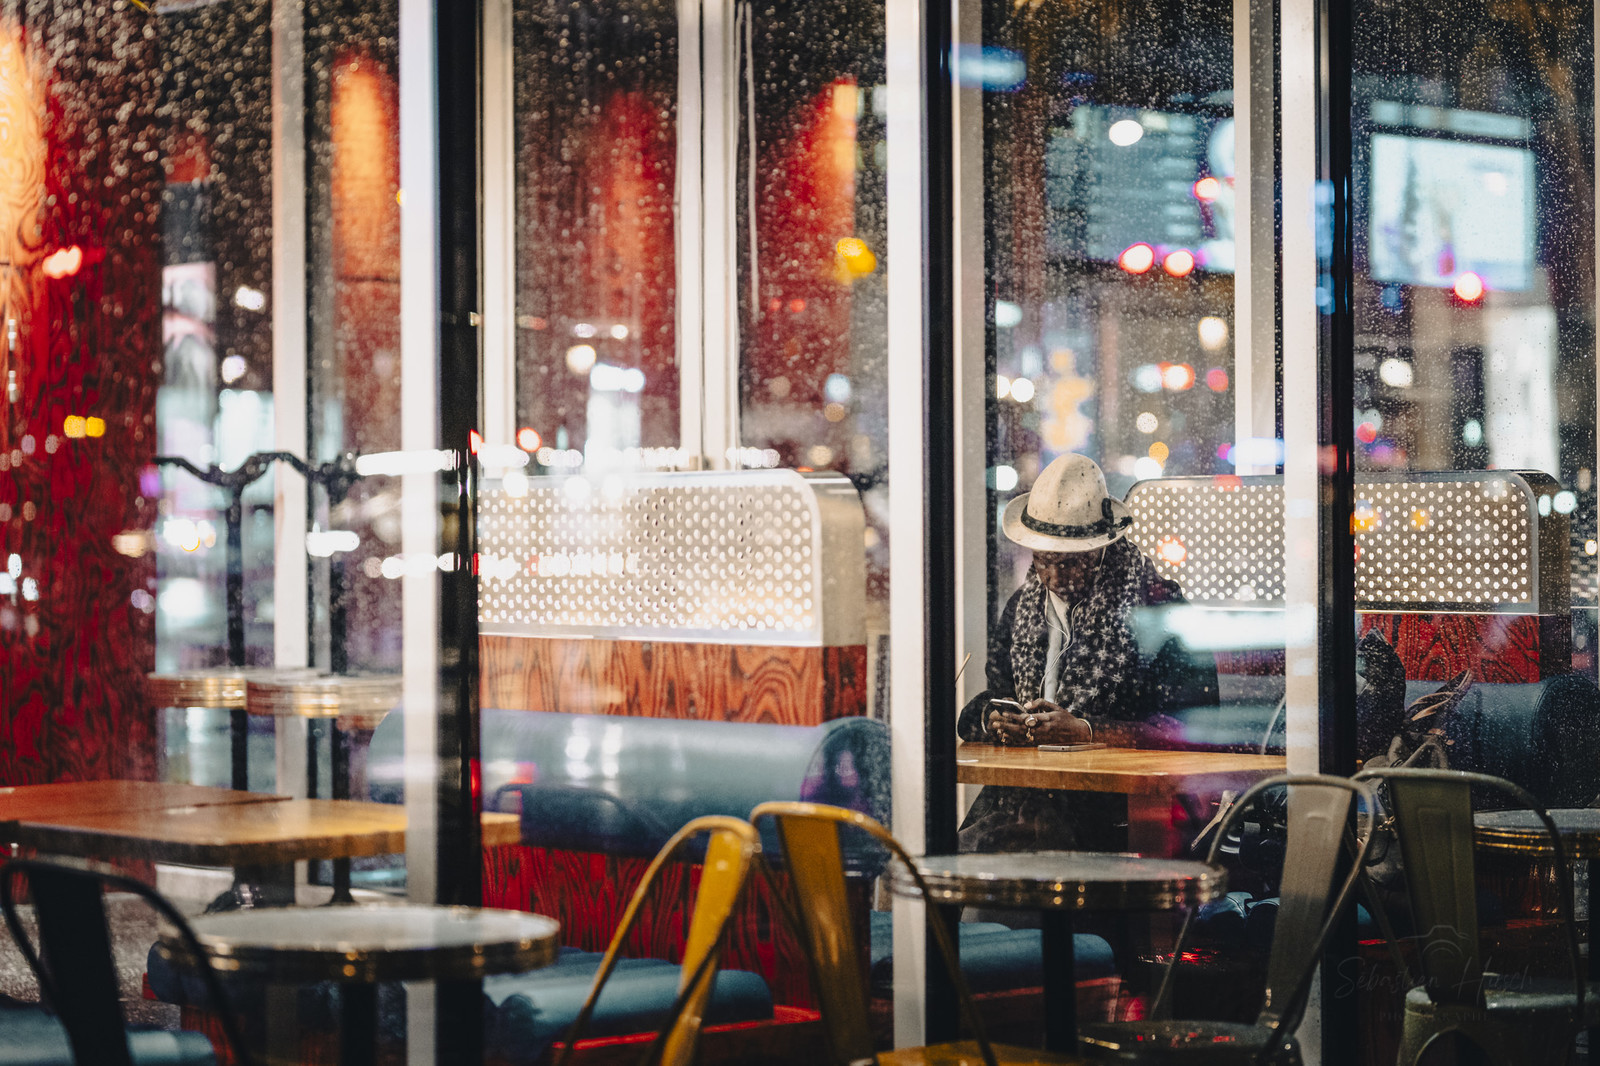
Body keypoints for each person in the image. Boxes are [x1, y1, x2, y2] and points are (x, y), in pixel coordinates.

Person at [956, 452, 1215, 853]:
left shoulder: (1158, 607)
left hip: (1117, 817)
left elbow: (1192, 728)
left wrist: (1088, 732)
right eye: (1043, 562)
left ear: (1102, 551)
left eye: (1070, 564)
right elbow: (990, 699)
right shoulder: (1021, 607)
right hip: (1021, 803)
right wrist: (996, 719)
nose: (1054, 578)